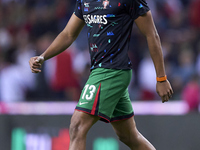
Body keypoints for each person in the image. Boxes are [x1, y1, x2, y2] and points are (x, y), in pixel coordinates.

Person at [29, 0, 173, 149]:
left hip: (112, 71)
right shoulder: (85, 1)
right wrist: (43, 56)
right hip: (100, 71)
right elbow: (68, 34)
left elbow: (152, 34)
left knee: (77, 125)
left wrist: (161, 78)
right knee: (128, 136)